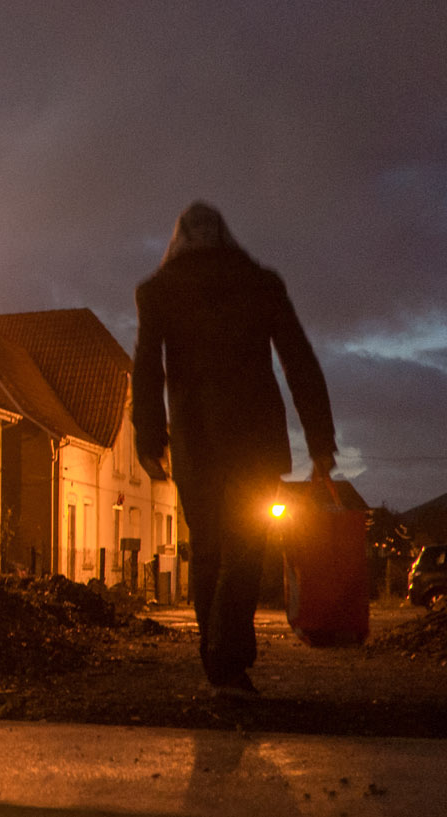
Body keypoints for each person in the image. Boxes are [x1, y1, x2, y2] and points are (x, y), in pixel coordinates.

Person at [131, 201, 337, 700]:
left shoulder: (158, 290)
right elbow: (298, 361)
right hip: (255, 441)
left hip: (194, 441)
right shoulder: (261, 283)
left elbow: (147, 369)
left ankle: (218, 661)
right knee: (245, 549)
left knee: (206, 550)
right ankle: (227, 661)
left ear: (178, 238)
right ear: (225, 236)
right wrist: (320, 442)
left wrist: (149, 438)